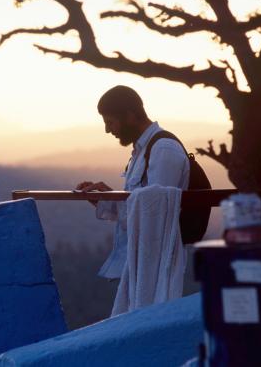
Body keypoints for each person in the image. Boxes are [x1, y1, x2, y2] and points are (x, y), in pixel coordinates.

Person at [75, 85, 190, 279]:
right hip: (140, 261)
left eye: (110, 122)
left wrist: (116, 200)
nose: (107, 130)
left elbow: (155, 215)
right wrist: (105, 198)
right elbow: (139, 207)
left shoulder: (163, 149)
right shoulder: (141, 151)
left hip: (157, 264)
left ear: (129, 116)